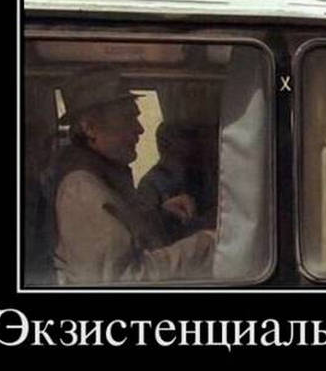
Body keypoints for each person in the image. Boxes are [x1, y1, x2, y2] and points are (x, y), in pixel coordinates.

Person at [47, 66, 215, 285]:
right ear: (90, 128)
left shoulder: (103, 177)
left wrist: (161, 217)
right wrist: (205, 246)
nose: (140, 129)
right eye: (128, 119)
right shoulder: (81, 190)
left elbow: (125, 235)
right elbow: (121, 280)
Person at [137, 122, 218, 242]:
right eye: (184, 139)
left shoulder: (197, 176)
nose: (192, 145)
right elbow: (148, 229)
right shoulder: (151, 183)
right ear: (166, 145)